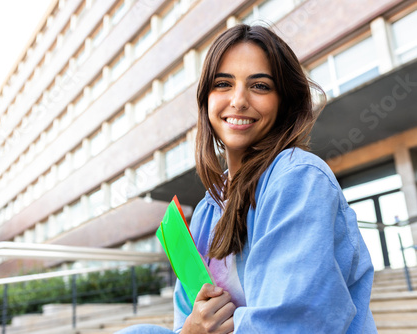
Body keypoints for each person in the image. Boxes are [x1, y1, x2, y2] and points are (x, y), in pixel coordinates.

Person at [117, 24, 377, 333]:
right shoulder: (207, 209)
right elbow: (189, 317)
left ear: (284, 102)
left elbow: (296, 322)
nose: (238, 100)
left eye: (260, 86)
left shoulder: (298, 177)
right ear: (206, 101)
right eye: (223, 84)